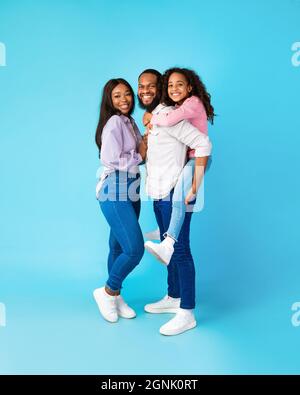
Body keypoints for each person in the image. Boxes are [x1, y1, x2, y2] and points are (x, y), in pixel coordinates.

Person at [138, 69, 212, 335]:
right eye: (141, 86)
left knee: (179, 250)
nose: (145, 90)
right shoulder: (155, 119)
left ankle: (187, 312)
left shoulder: (169, 118)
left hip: (175, 193)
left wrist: (194, 185)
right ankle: (174, 297)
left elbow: (203, 143)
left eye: (151, 86)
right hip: (158, 193)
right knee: (167, 251)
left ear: (160, 89)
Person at [143, 67, 215, 265]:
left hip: (199, 158)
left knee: (178, 197)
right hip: (192, 158)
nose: (174, 89)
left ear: (190, 87)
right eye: (170, 85)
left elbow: (171, 120)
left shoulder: (192, 103)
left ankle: (168, 244)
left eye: (179, 84)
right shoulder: (181, 105)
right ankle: (166, 229)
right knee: (176, 200)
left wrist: (194, 187)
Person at [94, 78, 147, 323]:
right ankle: (106, 291)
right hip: (114, 187)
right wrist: (140, 154)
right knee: (134, 249)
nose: (124, 99)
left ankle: (115, 296)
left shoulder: (130, 121)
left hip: (132, 187)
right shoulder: (114, 122)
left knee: (117, 247)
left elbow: (140, 153)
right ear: (109, 100)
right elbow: (112, 159)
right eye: (117, 96)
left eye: (127, 94)